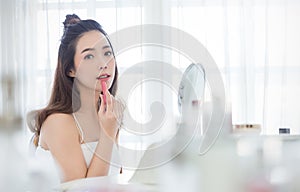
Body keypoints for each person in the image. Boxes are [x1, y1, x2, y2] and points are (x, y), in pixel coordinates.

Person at [27, 14, 124, 182]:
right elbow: (84, 189)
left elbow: (115, 178)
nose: (103, 63)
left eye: (107, 53)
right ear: (70, 70)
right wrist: (108, 134)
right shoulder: (59, 122)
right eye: (89, 56)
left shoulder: (109, 115)